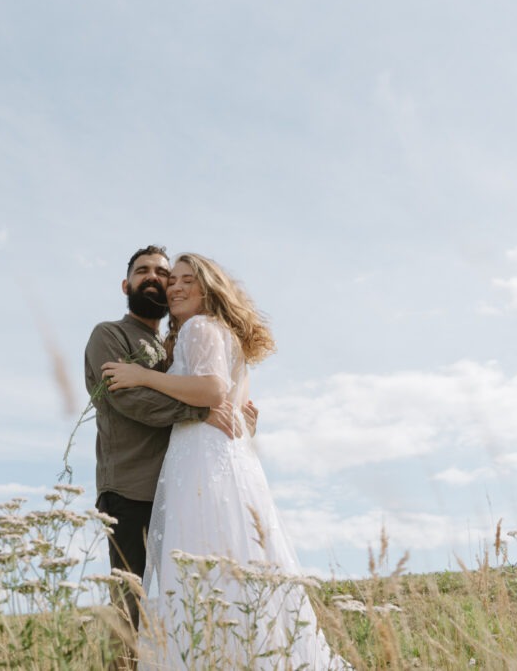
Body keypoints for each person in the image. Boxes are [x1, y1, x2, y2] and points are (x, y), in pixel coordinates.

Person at [102, 253, 351, 670]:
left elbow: (213, 390)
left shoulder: (199, 327)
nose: (175, 287)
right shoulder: (226, 335)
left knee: (199, 569)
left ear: (209, 288)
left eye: (187, 280)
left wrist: (143, 376)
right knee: (232, 565)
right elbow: (233, 406)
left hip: (200, 461)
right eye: (172, 281)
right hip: (228, 462)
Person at [84, 246, 257, 635]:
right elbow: (130, 399)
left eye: (163, 273)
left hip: (181, 487)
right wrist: (200, 411)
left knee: (189, 598)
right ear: (126, 284)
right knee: (132, 609)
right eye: (143, 271)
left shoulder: (175, 344)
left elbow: (208, 389)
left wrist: (235, 413)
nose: (155, 278)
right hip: (130, 489)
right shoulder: (108, 335)